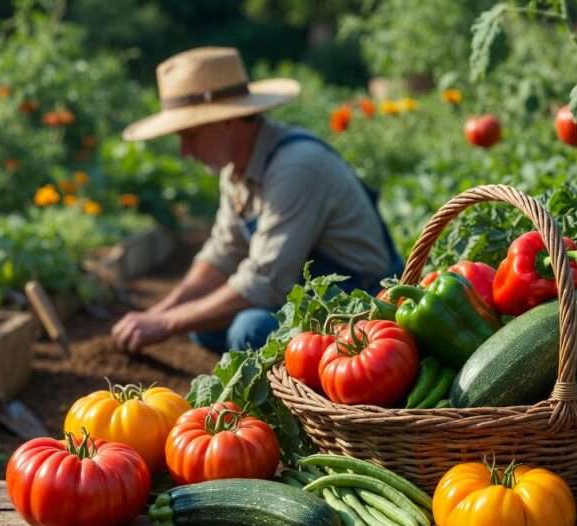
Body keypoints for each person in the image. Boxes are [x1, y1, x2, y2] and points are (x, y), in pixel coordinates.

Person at [111, 47, 401, 355]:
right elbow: (223, 254)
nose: (185, 151)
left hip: (363, 303)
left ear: (228, 121)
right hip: (304, 294)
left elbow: (265, 282)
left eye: (190, 135)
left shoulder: (296, 167)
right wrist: (159, 312)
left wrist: (166, 324)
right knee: (204, 328)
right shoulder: (236, 170)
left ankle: (299, 397)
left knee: (250, 330)